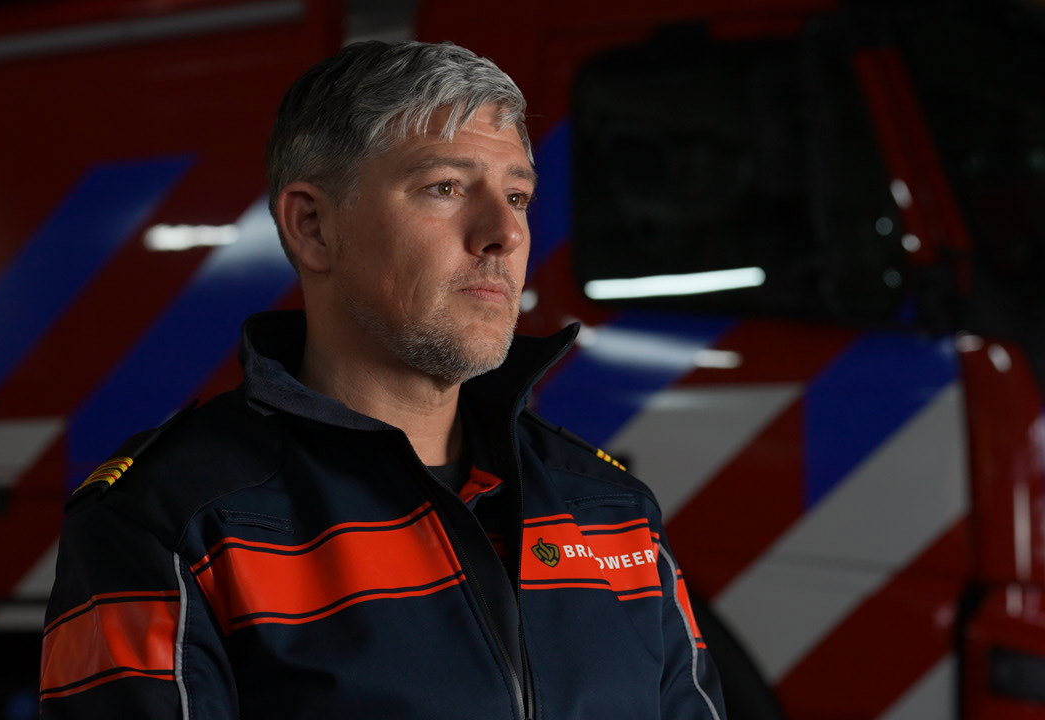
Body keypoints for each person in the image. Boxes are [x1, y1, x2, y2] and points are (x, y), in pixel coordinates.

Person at [40, 40, 726, 720]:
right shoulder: (174, 521)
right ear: (313, 227)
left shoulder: (613, 511)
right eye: (445, 187)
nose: (505, 233)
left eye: (517, 196)